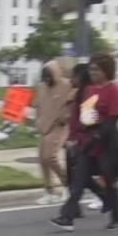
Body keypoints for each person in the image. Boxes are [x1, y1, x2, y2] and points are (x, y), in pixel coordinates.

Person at [51, 53, 118, 232]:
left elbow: (112, 119)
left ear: (106, 71)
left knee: (109, 181)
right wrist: (78, 138)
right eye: (91, 69)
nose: (92, 72)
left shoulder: (113, 91)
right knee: (79, 180)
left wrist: (98, 136)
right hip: (87, 142)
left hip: (106, 142)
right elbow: (84, 117)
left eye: (96, 69)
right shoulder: (89, 90)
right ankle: (67, 217)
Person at [66, 63, 106, 216]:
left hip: (81, 140)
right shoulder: (79, 93)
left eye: (73, 76)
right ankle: (73, 209)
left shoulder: (85, 94)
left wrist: (76, 139)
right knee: (79, 175)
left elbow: (85, 120)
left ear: (80, 76)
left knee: (80, 175)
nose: (71, 79)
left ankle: (69, 213)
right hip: (75, 138)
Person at [34, 60, 74, 205]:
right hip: (44, 127)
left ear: (56, 73)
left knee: (50, 157)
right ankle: (49, 192)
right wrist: (38, 121)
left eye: (50, 77)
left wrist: (66, 117)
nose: (47, 80)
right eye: (45, 78)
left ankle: (68, 184)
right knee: (42, 159)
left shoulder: (67, 85)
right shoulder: (42, 87)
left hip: (59, 126)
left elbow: (74, 101)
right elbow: (38, 105)